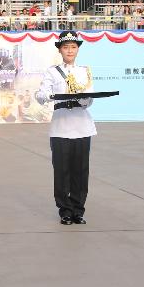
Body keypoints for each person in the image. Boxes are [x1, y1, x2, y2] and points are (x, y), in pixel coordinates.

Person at [35, 30, 96, 225]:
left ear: (77, 49)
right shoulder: (52, 71)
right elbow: (42, 92)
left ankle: (78, 210)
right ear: (60, 50)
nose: (70, 50)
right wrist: (44, 96)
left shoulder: (84, 70)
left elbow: (89, 98)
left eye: (73, 47)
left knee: (81, 170)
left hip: (82, 125)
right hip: (61, 126)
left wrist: (84, 100)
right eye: (66, 47)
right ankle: (65, 210)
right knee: (61, 170)